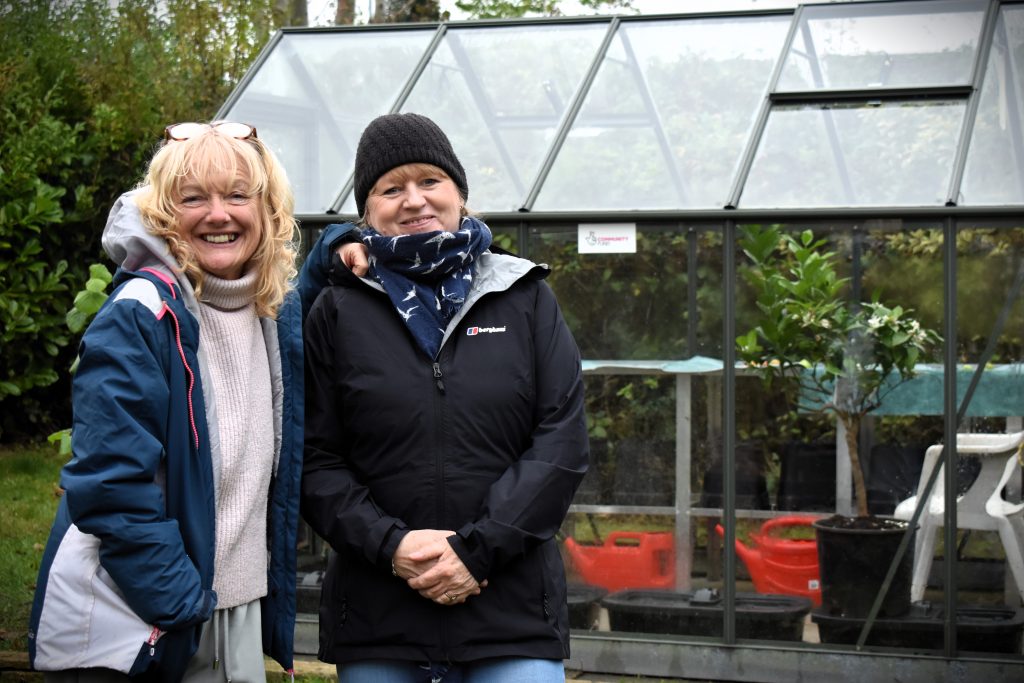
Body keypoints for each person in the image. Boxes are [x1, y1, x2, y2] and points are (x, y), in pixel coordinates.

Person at [28, 121, 333, 681]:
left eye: (238, 195)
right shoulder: (140, 316)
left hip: (229, 610)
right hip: (142, 620)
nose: (219, 215)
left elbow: (309, 283)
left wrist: (341, 244)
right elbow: (112, 488)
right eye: (194, 198)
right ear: (165, 213)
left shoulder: (270, 311)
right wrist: (183, 608)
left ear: (267, 211)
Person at [301, 112, 589, 682]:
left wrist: (476, 552)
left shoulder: (523, 295)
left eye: (430, 181)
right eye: (391, 188)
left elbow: (561, 441)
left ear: (460, 193)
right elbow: (314, 457)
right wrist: (392, 546)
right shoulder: (336, 308)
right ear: (367, 213)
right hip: (380, 616)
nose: (414, 201)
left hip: (510, 613)